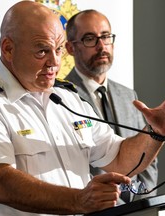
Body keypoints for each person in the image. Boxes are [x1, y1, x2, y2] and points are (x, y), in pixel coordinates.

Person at [0, 1, 165, 215]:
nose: (55, 62)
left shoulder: (67, 98)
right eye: (42, 51)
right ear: (8, 48)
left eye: (59, 49)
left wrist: (155, 132)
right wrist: (80, 200)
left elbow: (119, 159)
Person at [64, 9, 158, 202]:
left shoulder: (127, 95)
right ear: (70, 48)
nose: (101, 46)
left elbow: (148, 155)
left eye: (106, 37)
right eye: (90, 39)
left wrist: (143, 203)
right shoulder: (62, 98)